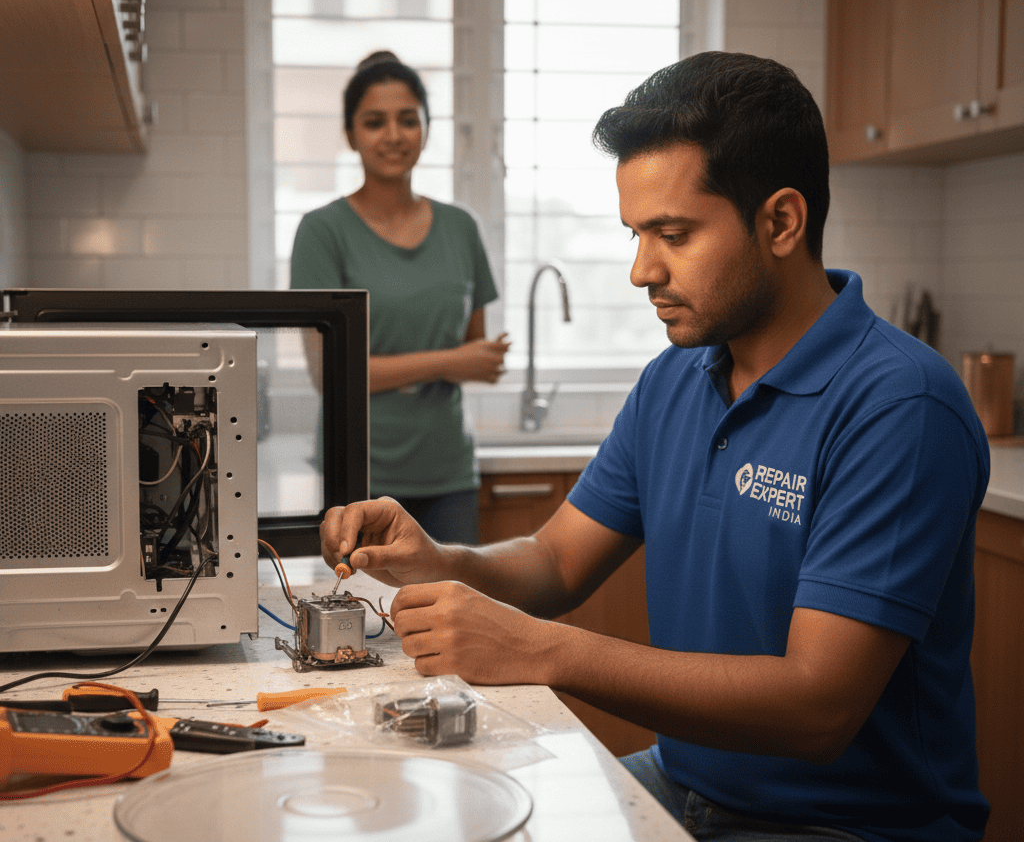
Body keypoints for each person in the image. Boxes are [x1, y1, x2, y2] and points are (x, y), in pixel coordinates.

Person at [318, 52, 991, 842]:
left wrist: (540, 650)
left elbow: (818, 706)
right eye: (637, 233)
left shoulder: (899, 406)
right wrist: (443, 559)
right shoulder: (675, 378)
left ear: (780, 222)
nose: (642, 270)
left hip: (846, 826)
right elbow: (557, 559)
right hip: (683, 784)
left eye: (673, 233)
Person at [291, 51, 509, 544]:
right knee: (364, 619)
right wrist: (448, 361)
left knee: (454, 614)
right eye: (375, 122)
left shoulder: (461, 228)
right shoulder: (322, 233)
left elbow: (478, 355)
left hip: (448, 473)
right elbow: (330, 374)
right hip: (360, 477)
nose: (393, 135)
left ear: (427, 129)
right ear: (351, 135)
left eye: (408, 120)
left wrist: (466, 360)